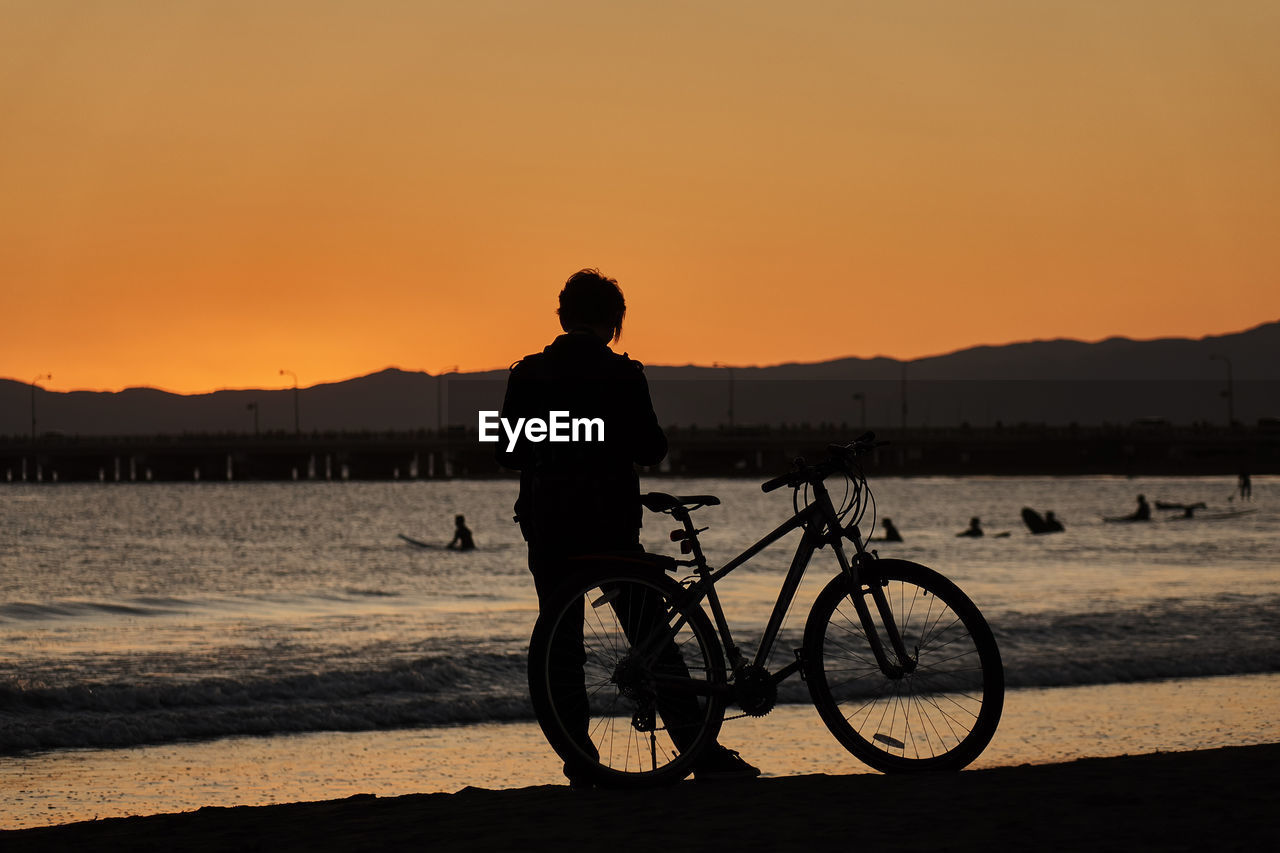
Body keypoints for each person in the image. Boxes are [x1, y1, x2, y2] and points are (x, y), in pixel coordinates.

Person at [496, 268, 757, 785]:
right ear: (613, 321)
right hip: (609, 525)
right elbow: (651, 449)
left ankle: (580, 759)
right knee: (651, 635)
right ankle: (699, 750)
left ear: (563, 316)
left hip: (548, 524)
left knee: (560, 643)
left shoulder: (527, 373)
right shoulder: (622, 374)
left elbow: (509, 451)